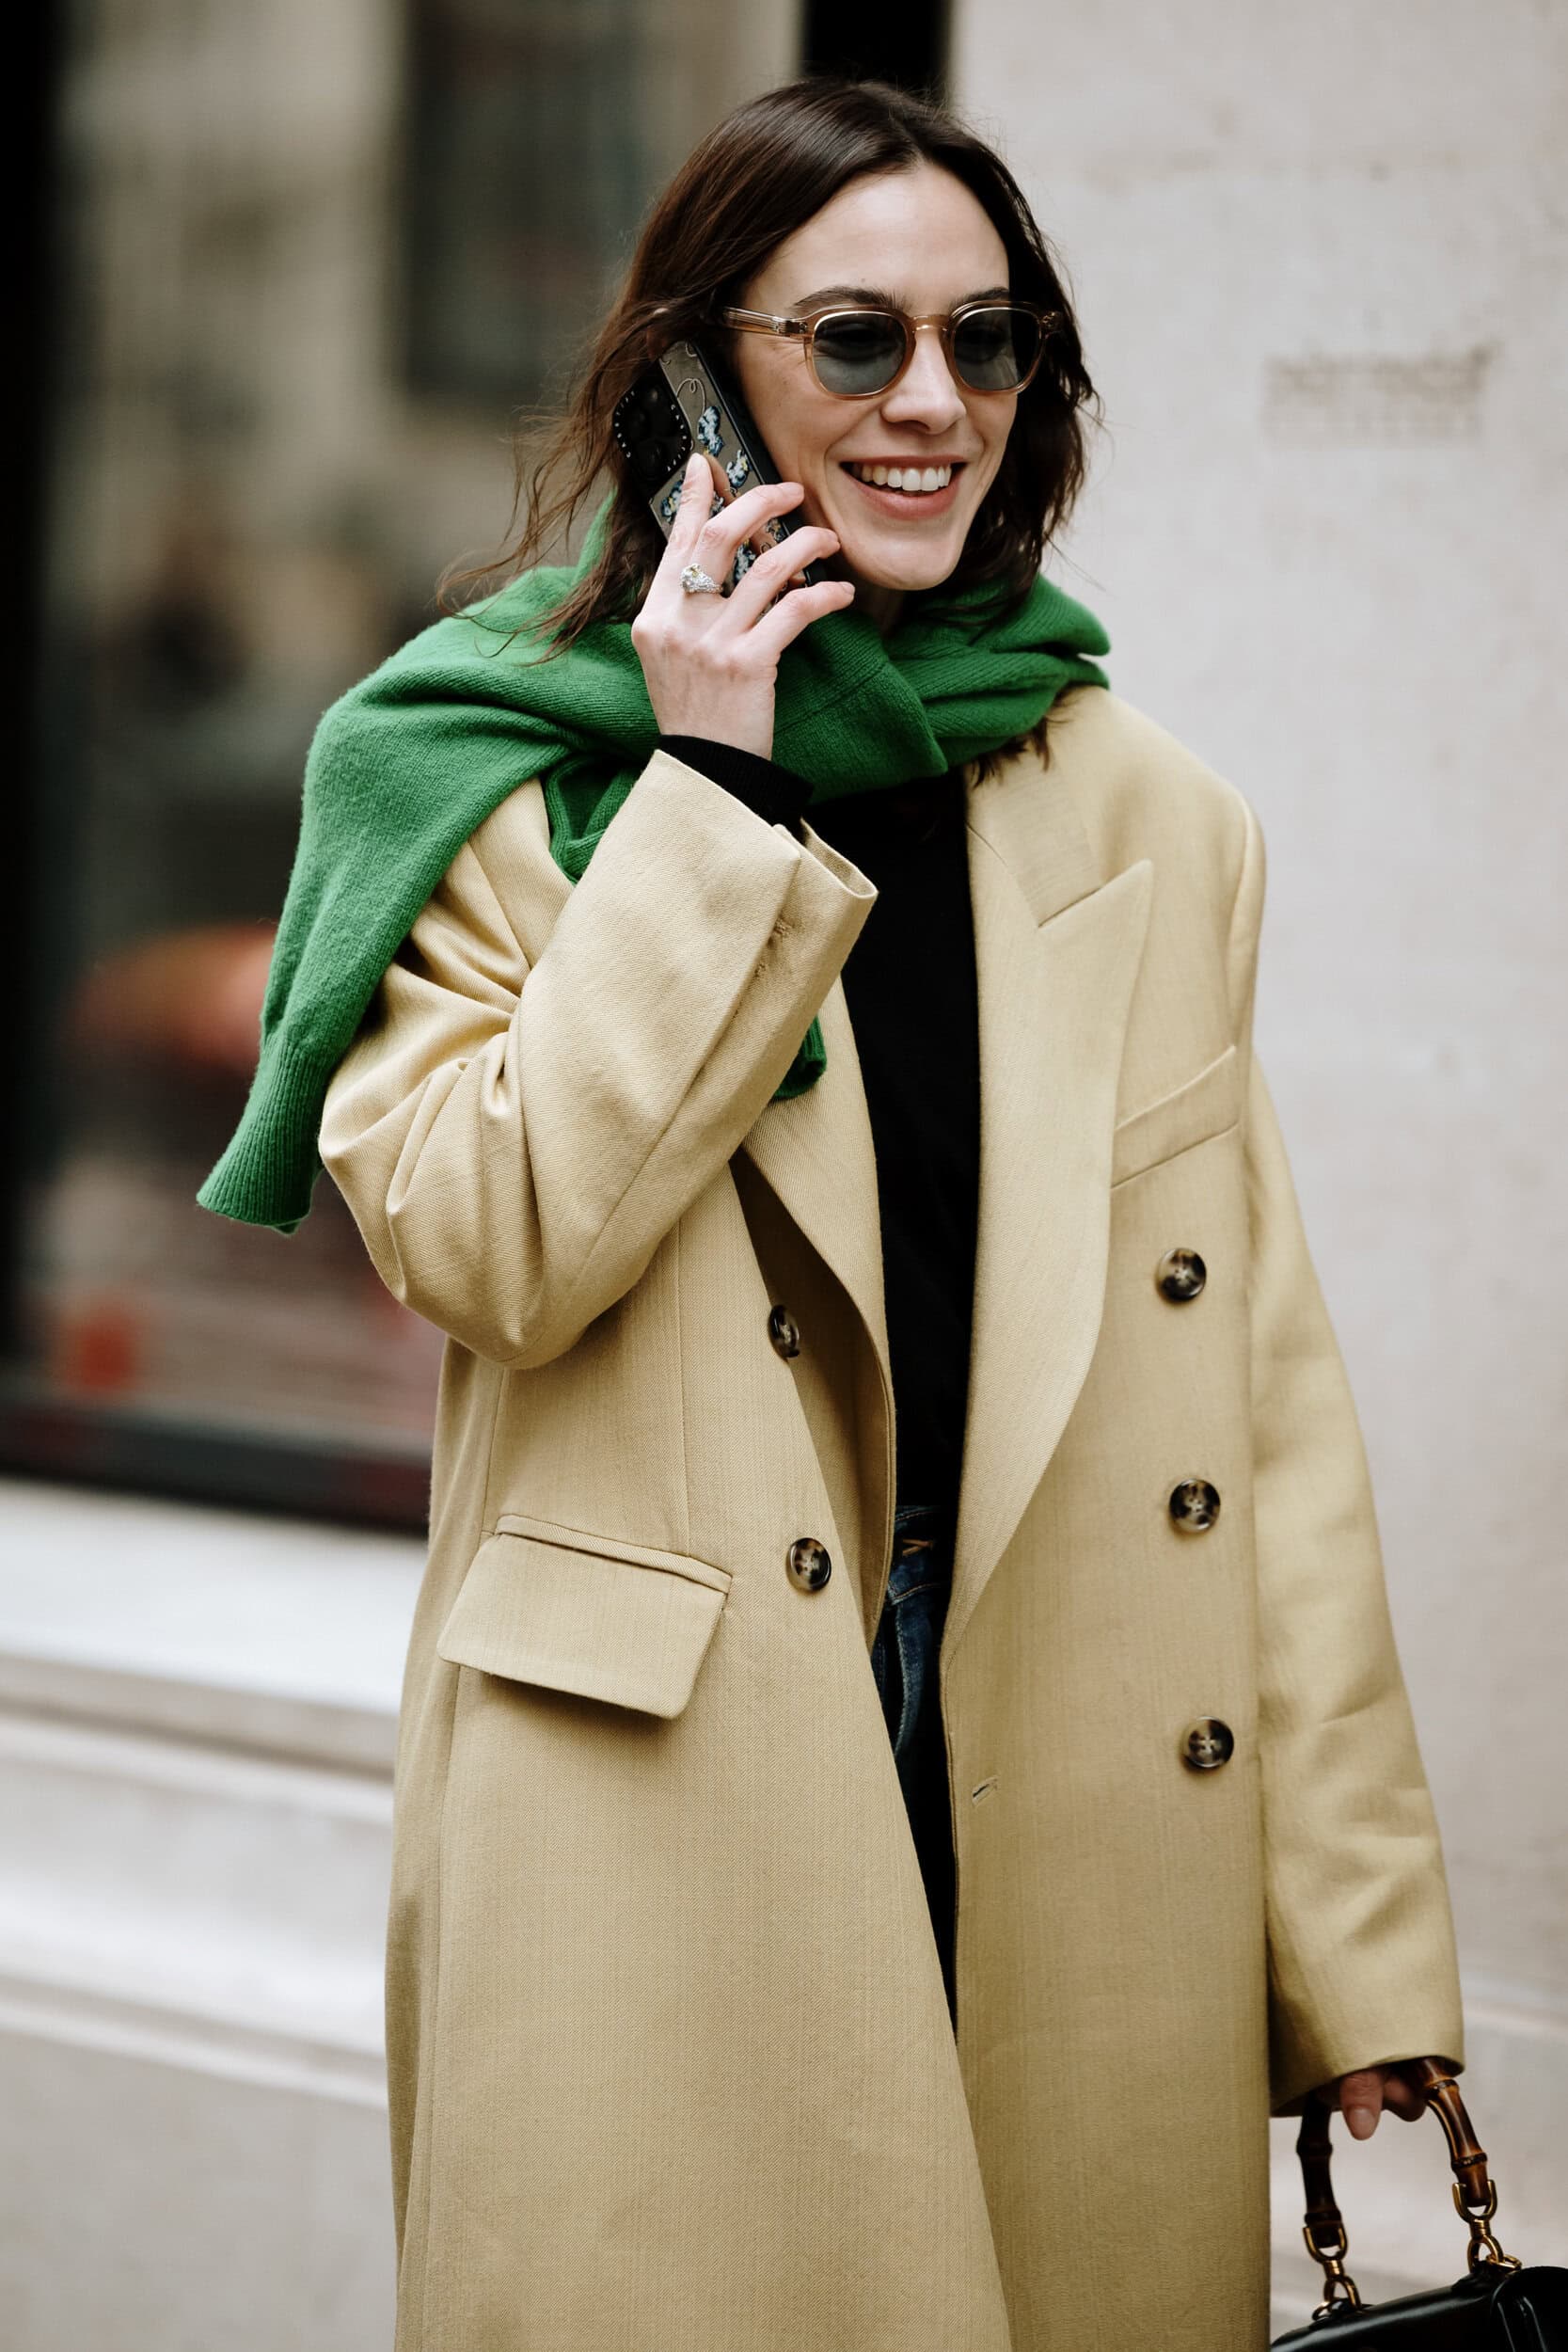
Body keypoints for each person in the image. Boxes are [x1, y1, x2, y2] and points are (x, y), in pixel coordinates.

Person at [198, 74, 1466, 2352]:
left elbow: (1256, 1386)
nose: (933, 403)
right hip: (674, 1779)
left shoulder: (1151, 812)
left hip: (1073, 1752)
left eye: (990, 342)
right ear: (695, 373)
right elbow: (494, 1247)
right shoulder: (482, 779)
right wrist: (706, 779)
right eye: (855, 339)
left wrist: (1353, 1938)